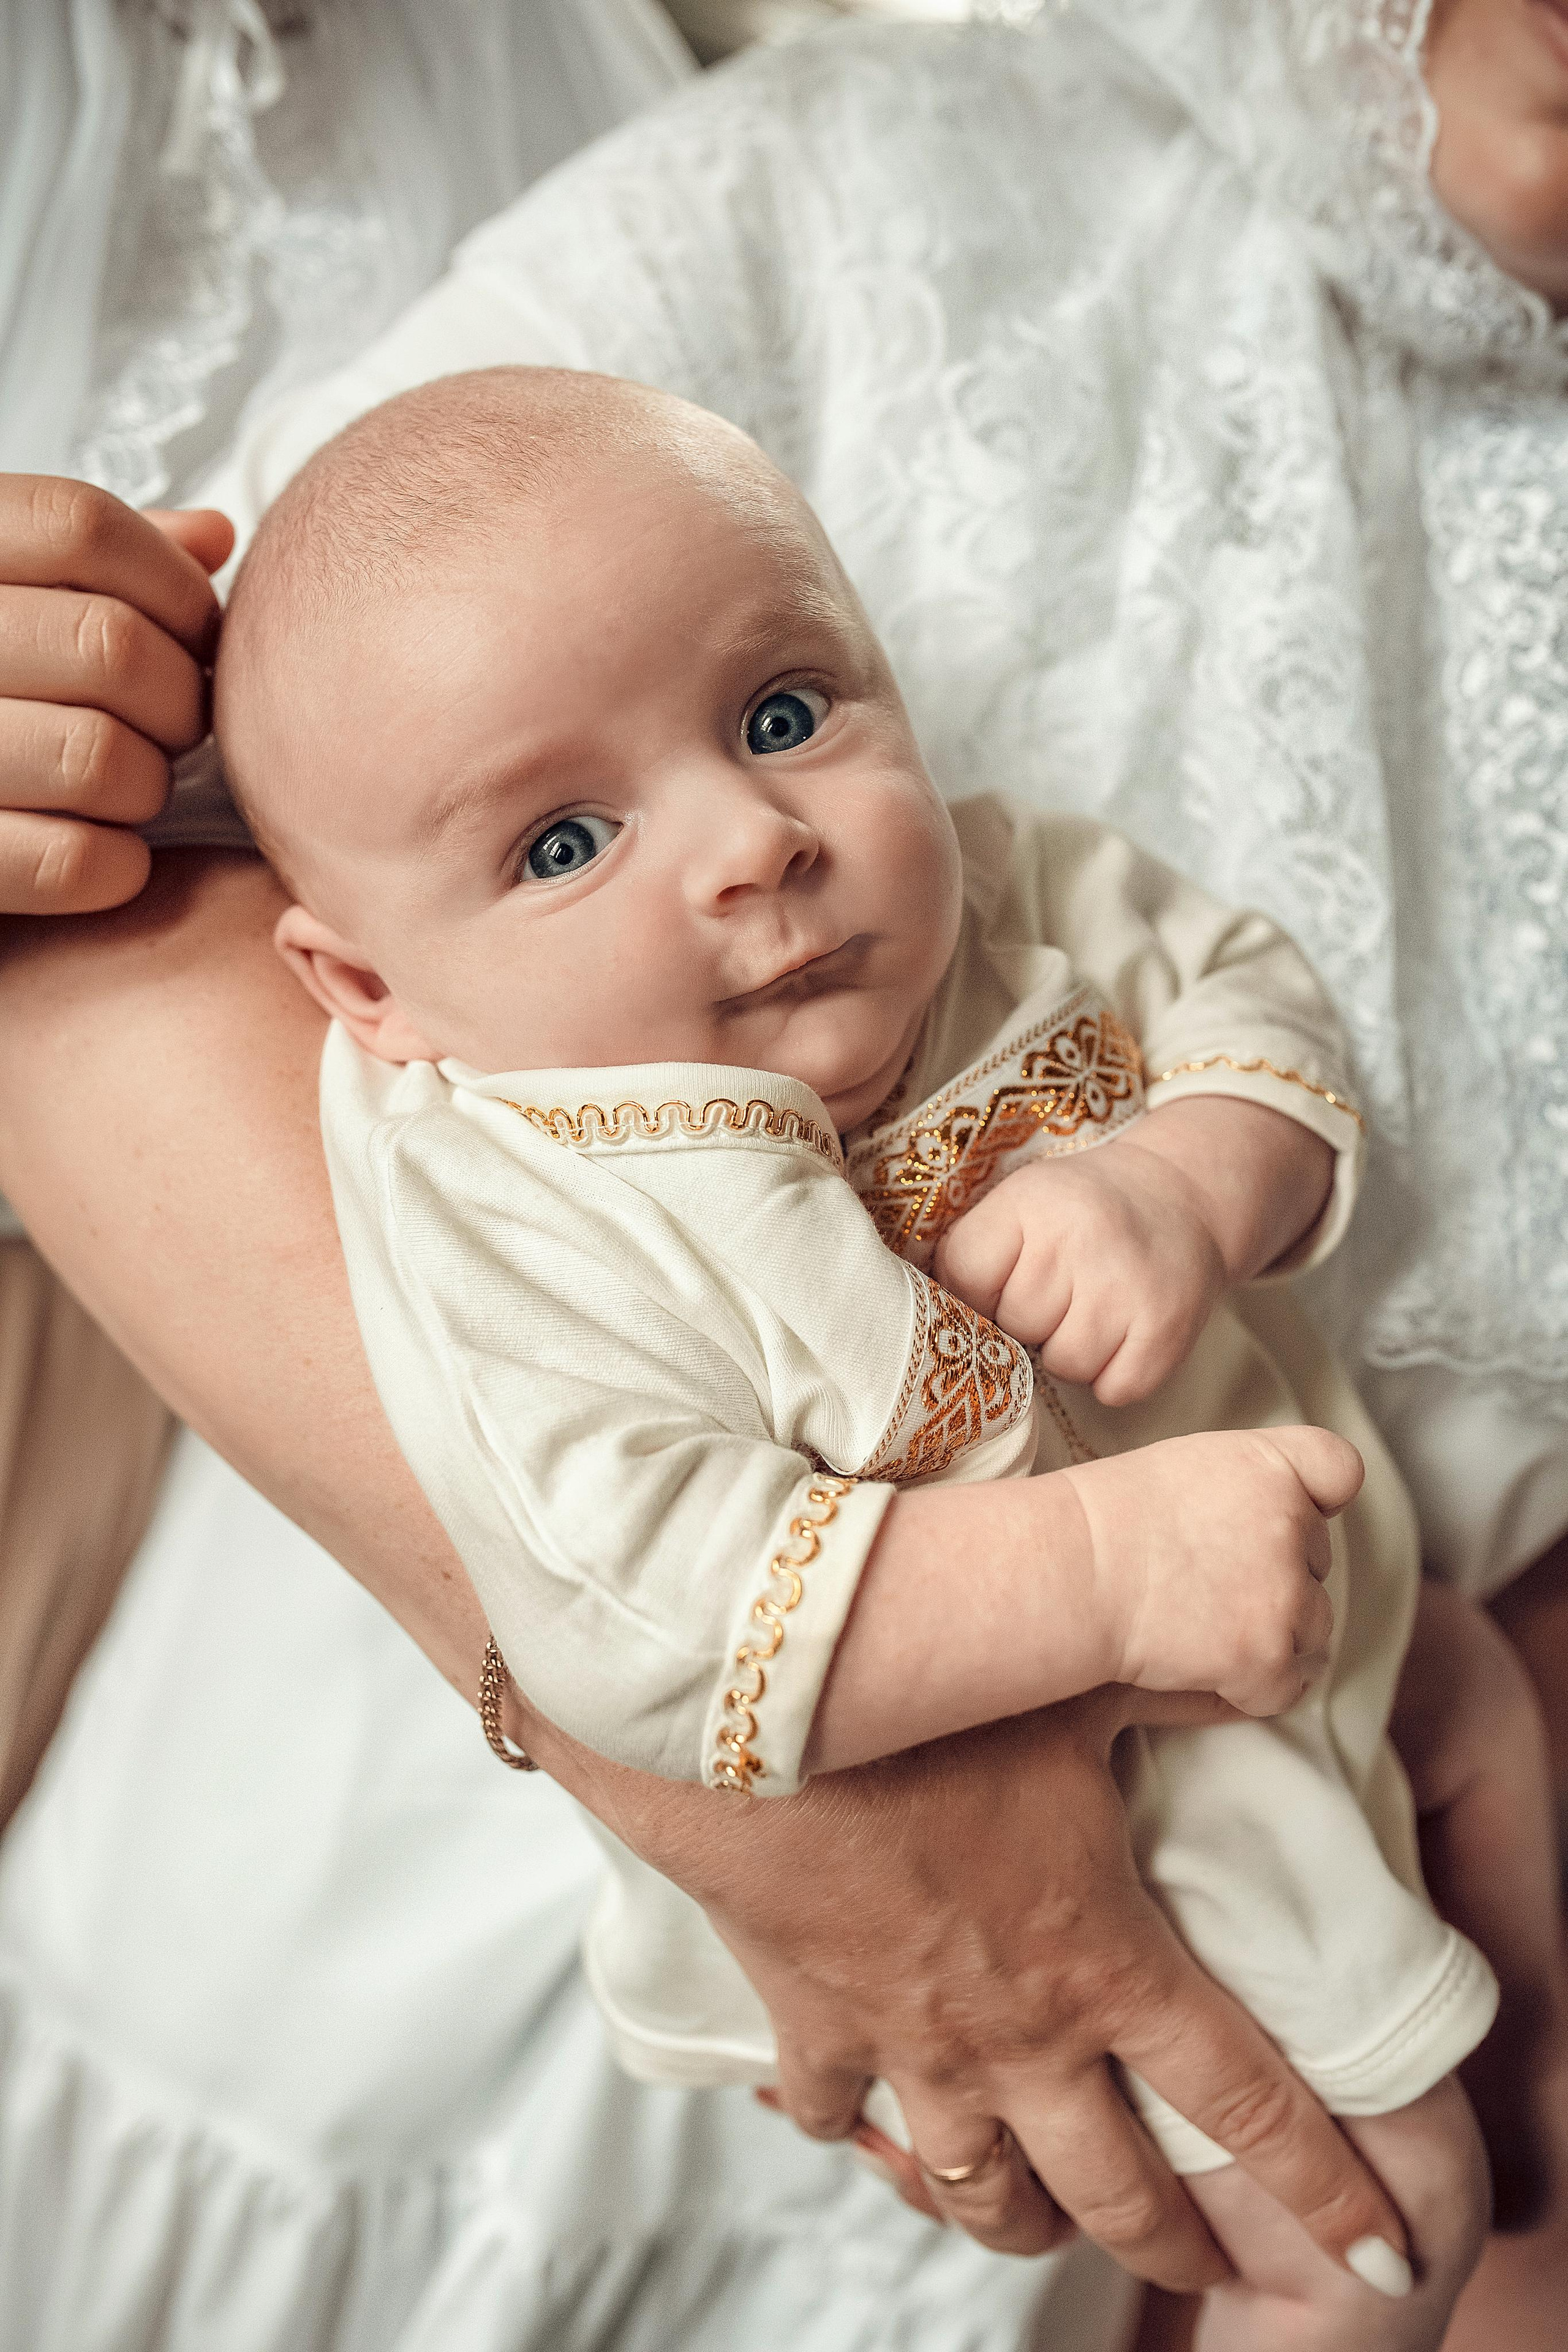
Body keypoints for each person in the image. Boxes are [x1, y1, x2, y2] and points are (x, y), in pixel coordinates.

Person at [0, 0, 1562, 2343]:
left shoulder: (1007, 900)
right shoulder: (531, 1198)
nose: (754, 846)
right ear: (368, 995)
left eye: (788, 714)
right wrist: (1120, 1574)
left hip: (1300, 1641)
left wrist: (1187, 1181)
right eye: (563, 842)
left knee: (1405, 2166)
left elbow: (1242, 994)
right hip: (847, 1752)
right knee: (1366, 2199)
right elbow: (636, 1598)